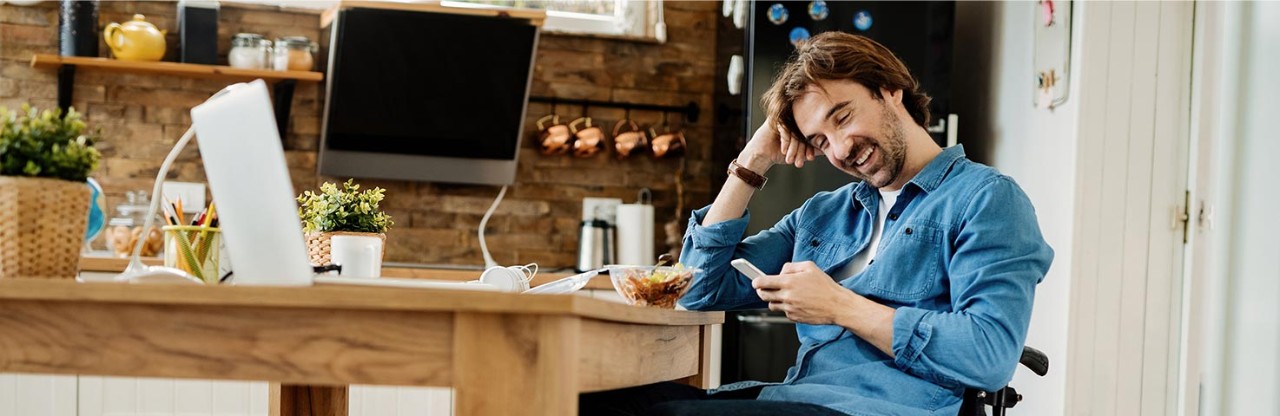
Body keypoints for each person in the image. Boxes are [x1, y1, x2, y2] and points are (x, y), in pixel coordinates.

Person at [579, 32, 1053, 416]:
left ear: (890, 89)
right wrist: (753, 160)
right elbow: (698, 290)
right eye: (820, 141)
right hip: (798, 398)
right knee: (586, 401)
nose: (841, 150)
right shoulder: (825, 213)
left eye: (843, 117)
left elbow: (989, 356)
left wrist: (840, 305)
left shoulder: (986, 200)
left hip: (880, 411)